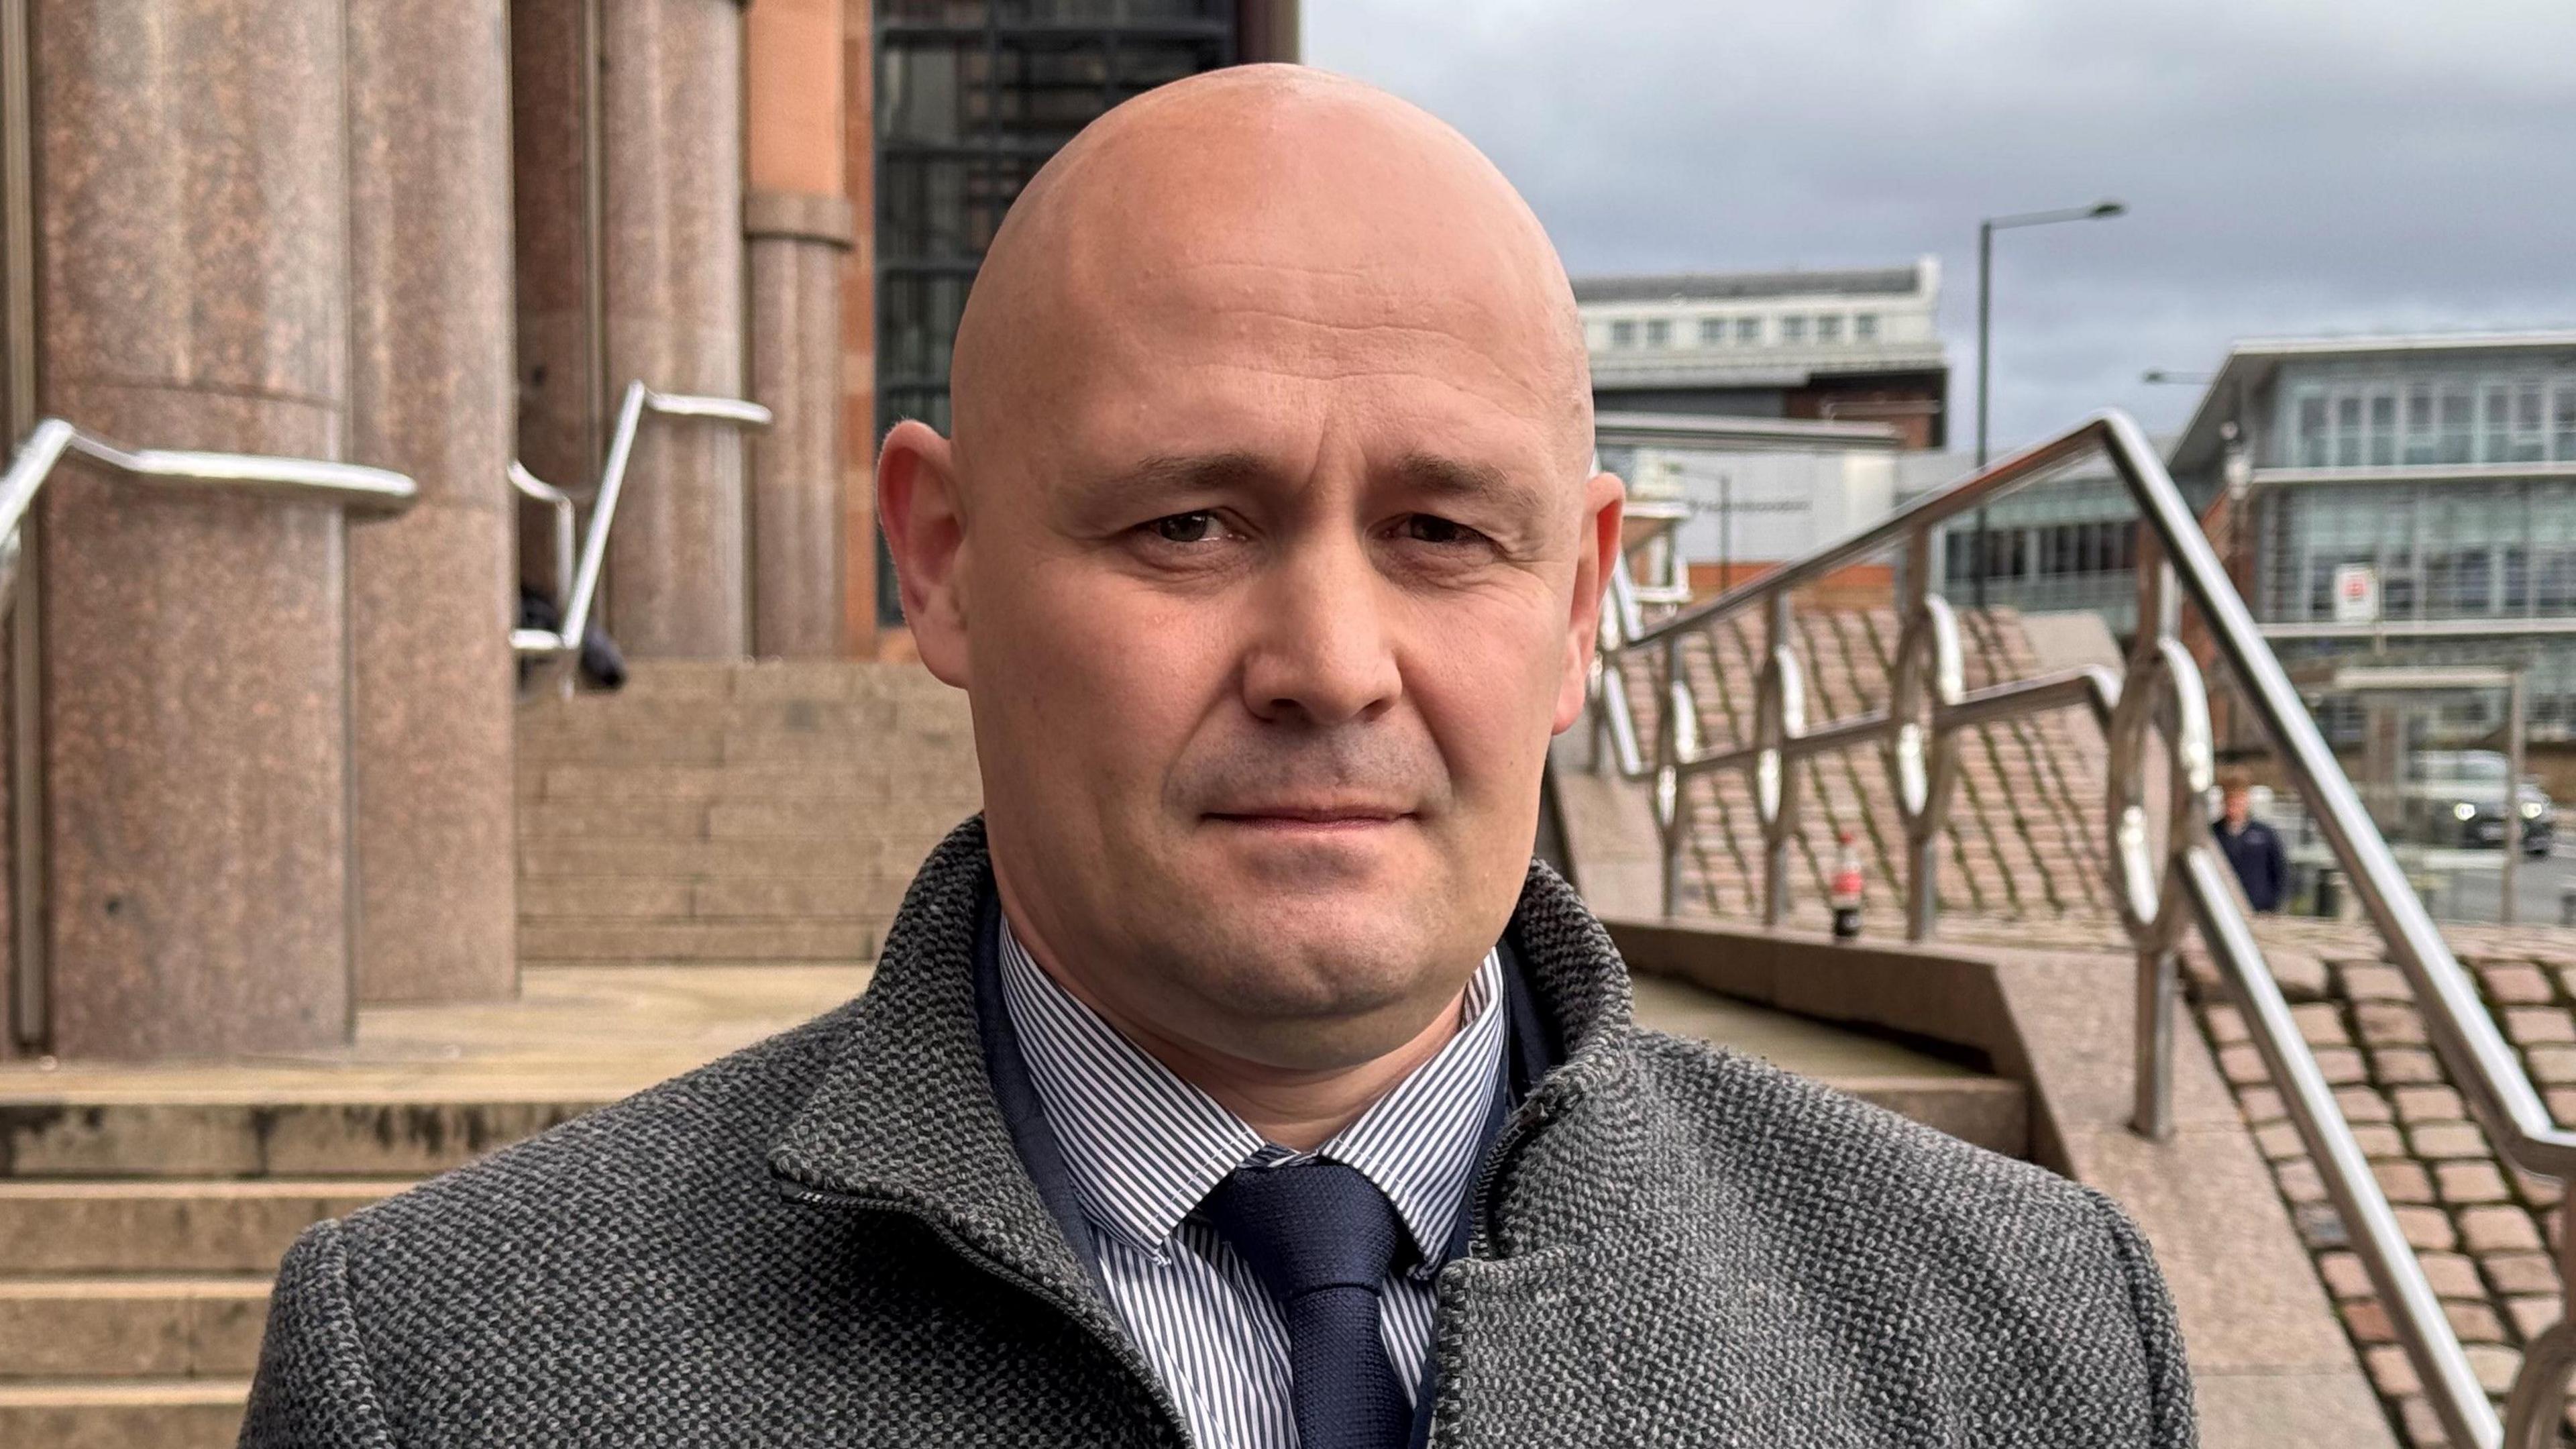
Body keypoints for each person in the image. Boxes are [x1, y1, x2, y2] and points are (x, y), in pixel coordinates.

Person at [242, 68, 2192, 1448]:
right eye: (1186, 523)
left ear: (1583, 594)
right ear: (942, 560)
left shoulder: (2015, 1337)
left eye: (1440, 531)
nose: (1329, 664)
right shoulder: (446, 1376)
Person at [2213, 770, 2289, 912]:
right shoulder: (2212, 835)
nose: (2234, 806)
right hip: (2223, 909)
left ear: (2247, 800)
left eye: (2239, 800)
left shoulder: (2264, 834)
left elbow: (2279, 871)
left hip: (2259, 909)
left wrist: (2274, 906)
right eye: (2231, 800)